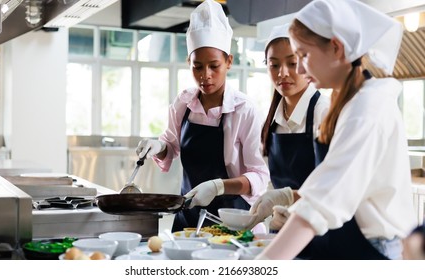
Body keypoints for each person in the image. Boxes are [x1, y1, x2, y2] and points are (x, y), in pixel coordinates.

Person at [255, 0, 416, 260]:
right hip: (343, 240)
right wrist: (292, 201)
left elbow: (325, 199)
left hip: (373, 250)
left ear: (337, 48)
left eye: (303, 56)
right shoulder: (344, 102)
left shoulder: (367, 108)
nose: (301, 69)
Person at [135, 0, 270, 232]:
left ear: (229, 62)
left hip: (232, 220)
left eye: (214, 66)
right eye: (197, 67)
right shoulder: (184, 102)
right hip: (188, 216)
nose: (205, 76)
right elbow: (171, 145)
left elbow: (259, 176)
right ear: (189, 62)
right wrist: (157, 146)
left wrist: (218, 186)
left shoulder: (244, 110)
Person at [248, 23, 330, 231]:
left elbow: (333, 187)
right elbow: (269, 182)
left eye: (292, 63)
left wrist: (287, 199)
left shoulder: (324, 112)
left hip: (319, 228)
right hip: (282, 225)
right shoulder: (270, 122)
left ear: (305, 63)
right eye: (274, 65)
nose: (282, 73)